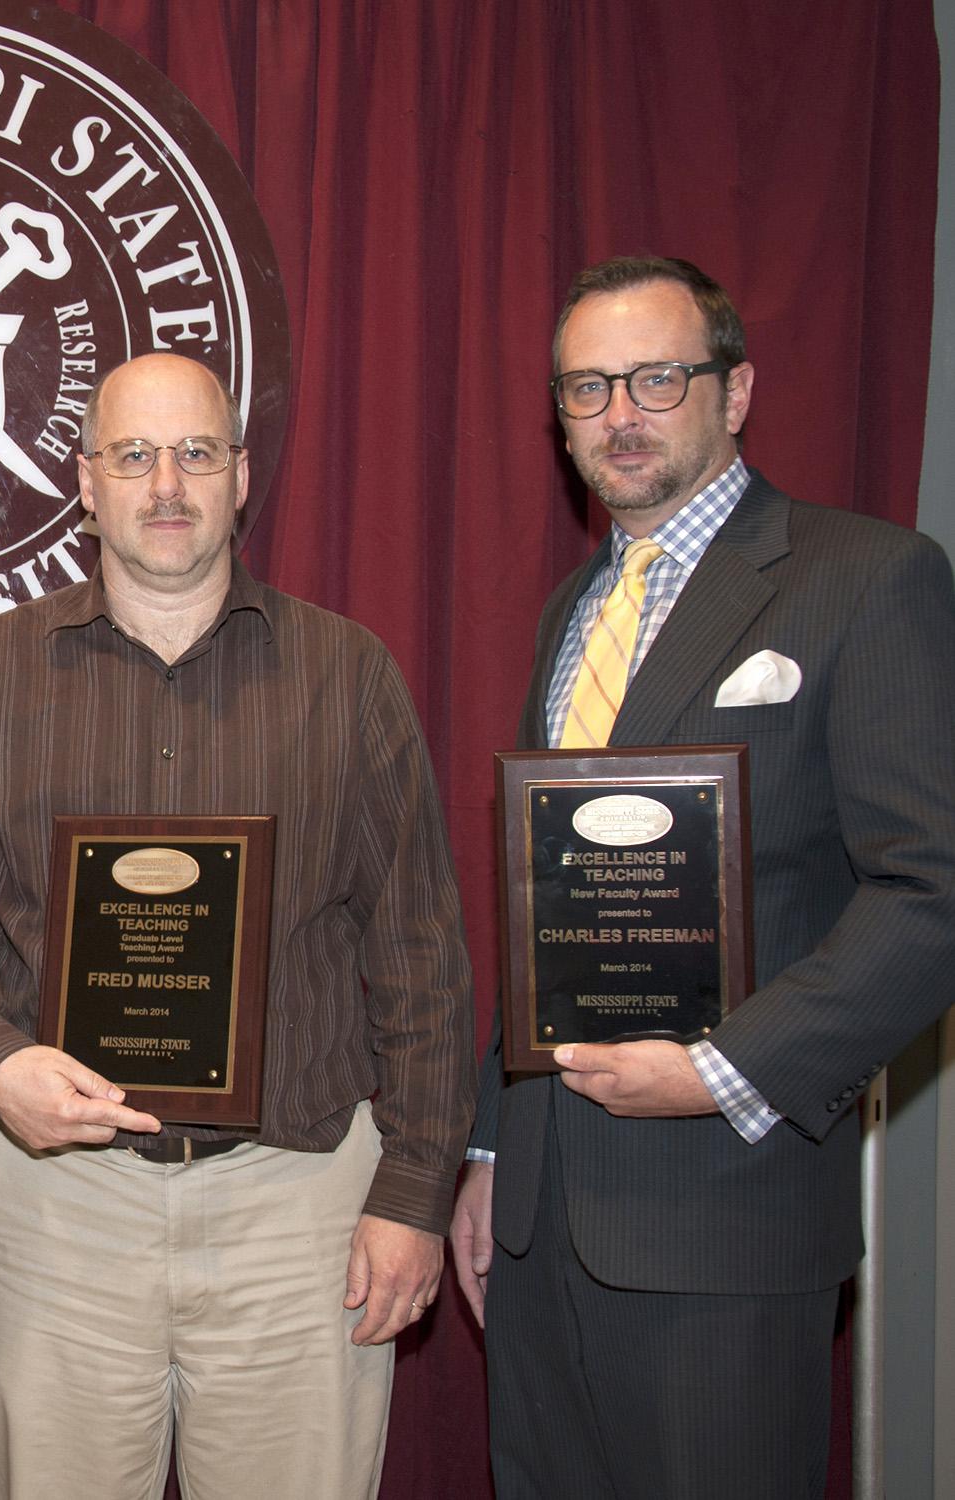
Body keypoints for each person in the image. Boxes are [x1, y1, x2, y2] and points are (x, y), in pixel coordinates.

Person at [0, 351, 475, 1499]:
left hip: (294, 1209)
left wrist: (414, 1194)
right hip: (63, 1205)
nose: (168, 483)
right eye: (136, 455)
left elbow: (416, 946)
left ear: (242, 475)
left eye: (197, 452)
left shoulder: (347, 674)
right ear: (86, 481)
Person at [449, 255, 955, 1498]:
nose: (620, 414)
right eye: (586, 389)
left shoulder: (864, 579)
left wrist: (724, 1071)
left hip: (728, 1211)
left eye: (657, 378)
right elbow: (552, 912)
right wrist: (493, 1155)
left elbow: (933, 890)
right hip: (540, 1225)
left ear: (734, 394)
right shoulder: (568, 615)